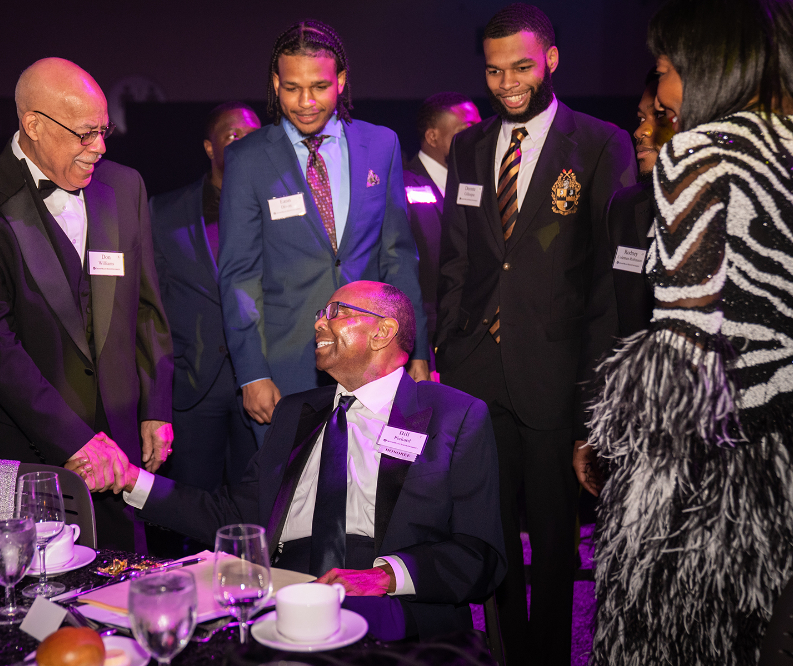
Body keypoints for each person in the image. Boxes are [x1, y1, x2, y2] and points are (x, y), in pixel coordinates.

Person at [93, 280, 505, 641]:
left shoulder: (454, 415)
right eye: (320, 313)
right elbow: (233, 515)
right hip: (280, 588)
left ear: (383, 331)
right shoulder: (295, 413)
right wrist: (132, 479)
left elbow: (480, 554)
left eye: (336, 313)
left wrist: (383, 577)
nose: (318, 323)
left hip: (387, 599)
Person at [587, 0, 793, 662]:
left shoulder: (701, 150)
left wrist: (618, 444)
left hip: (717, 460)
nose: (664, 90)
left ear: (704, 70)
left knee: (676, 632)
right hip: (781, 455)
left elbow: (682, 337)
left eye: (667, 69)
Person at [434, 4, 636, 664]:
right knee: (488, 532)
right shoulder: (468, 145)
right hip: (474, 370)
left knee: (552, 543)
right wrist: (444, 342)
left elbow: (608, 286)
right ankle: (503, 652)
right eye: (494, 71)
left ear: (550, 59)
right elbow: (458, 255)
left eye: (521, 66)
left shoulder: (602, 143)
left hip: (554, 373)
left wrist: (595, 400)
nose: (507, 83)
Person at [0, 58, 174, 551]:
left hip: (119, 444)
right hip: (16, 448)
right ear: (34, 125)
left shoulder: (125, 187)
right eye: (86, 134)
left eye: (104, 132)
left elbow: (147, 308)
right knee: (10, 600)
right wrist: (74, 439)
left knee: (116, 591)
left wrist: (156, 407)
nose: (99, 148)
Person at [218, 20, 429, 446]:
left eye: (319, 86)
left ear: (341, 81)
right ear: (275, 83)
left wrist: (417, 349)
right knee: (291, 500)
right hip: (287, 366)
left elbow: (398, 257)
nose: (306, 102)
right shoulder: (247, 159)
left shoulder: (381, 144)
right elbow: (239, 276)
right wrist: (252, 372)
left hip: (375, 359)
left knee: (373, 495)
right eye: (292, 87)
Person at [573, 69, 676, 495]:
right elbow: (605, 323)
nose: (640, 131)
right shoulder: (625, 206)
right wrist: (589, 427)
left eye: (659, 116)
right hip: (634, 421)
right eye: (640, 116)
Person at [149, 103, 260, 498]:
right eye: (233, 136)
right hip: (192, 383)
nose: (245, 144)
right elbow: (150, 307)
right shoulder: (163, 212)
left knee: (259, 502)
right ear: (209, 148)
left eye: (253, 135)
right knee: (189, 504)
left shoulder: (285, 211)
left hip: (263, 382)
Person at [404, 93, 482, 363]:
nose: (478, 136)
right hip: (425, 334)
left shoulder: (479, 185)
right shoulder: (401, 185)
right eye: (467, 129)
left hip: (473, 327)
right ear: (433, 137)